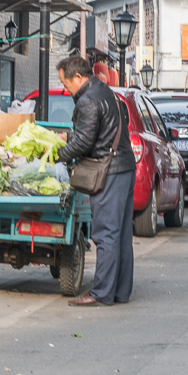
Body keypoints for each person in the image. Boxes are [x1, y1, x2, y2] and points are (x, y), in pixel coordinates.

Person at [56, 56, 136, 306]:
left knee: (106, 234)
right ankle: (120, 292)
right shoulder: (105, 91)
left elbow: (84, 142)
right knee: (121, 234)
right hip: (124, 168)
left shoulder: (88, 100)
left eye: (66, 83)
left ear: (78, 78)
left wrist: (57, 154)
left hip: (108, 171)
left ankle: (101, 293)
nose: (65, 89)